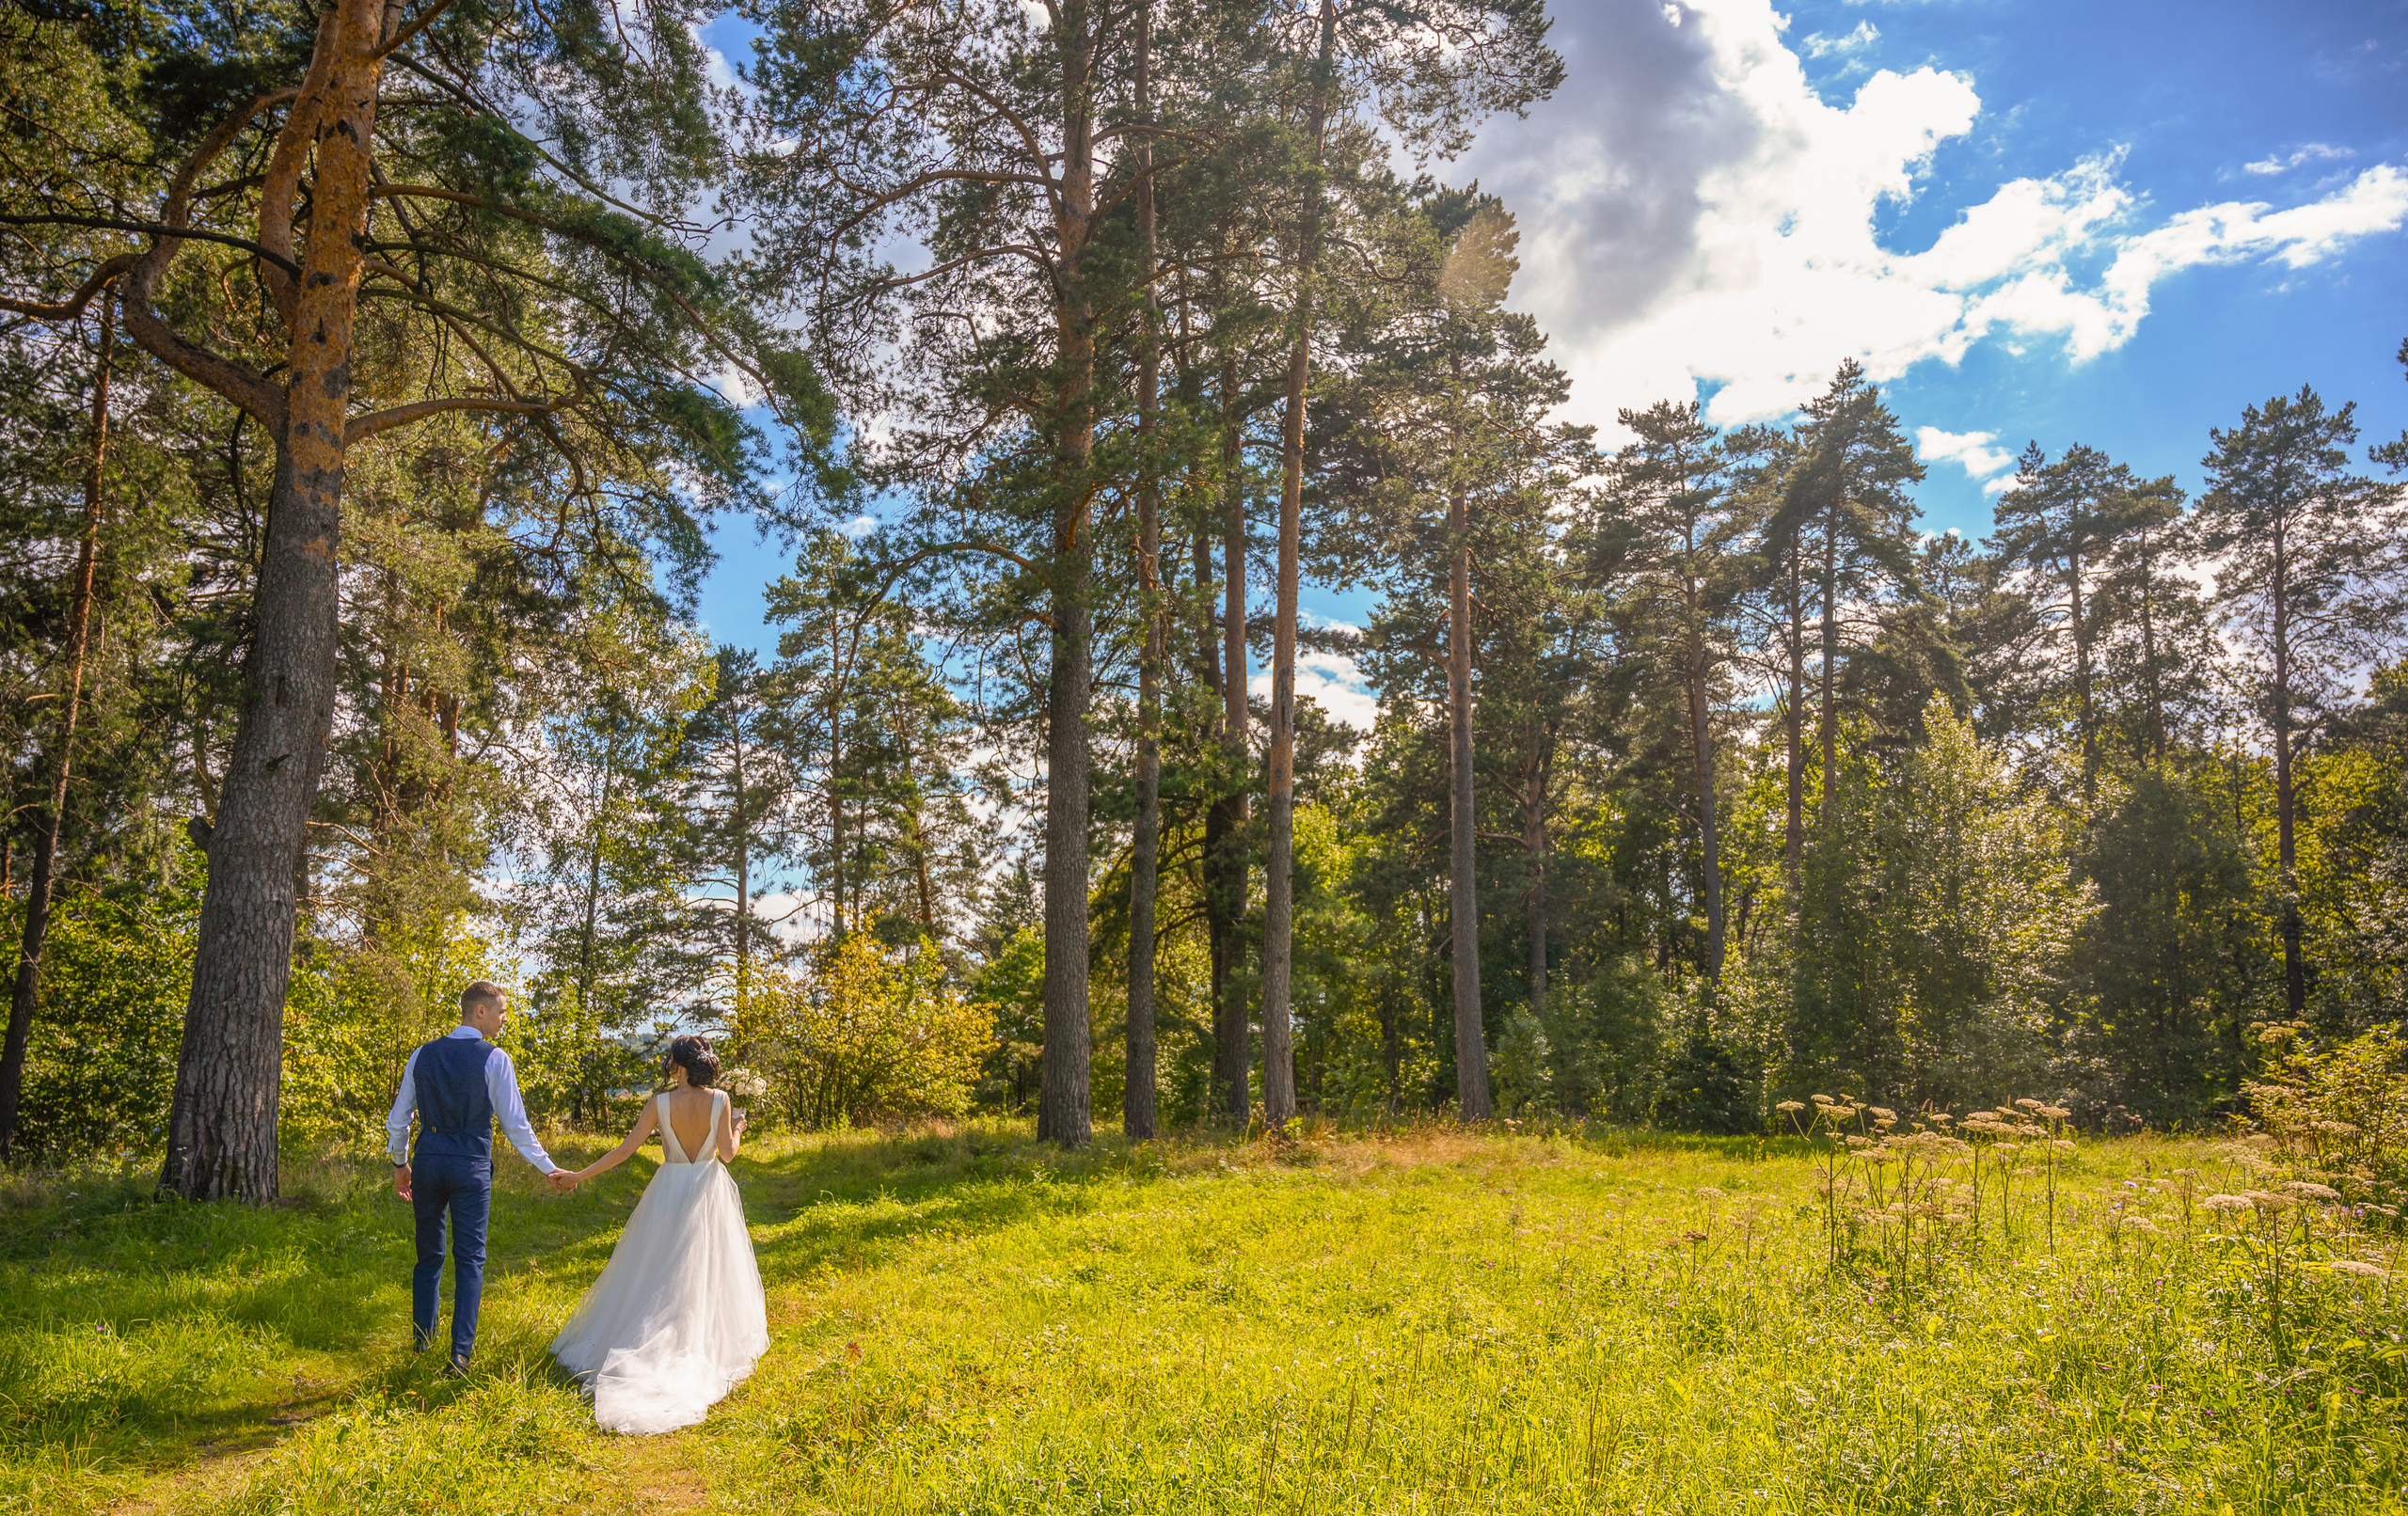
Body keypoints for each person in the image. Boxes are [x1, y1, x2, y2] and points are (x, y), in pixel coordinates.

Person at [548, 1034, 769, 1434]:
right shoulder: (720, 1100)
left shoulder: (659, 1103)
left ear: (678, 1065)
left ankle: (648, 1335)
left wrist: (578, 1175)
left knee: (656, 1268)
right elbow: (728, 1154)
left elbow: (624, 1150)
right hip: (706, 1188)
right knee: (703, 1268)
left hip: (667, 1190)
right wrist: (737, 1128)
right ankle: (694, 1338)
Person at [388, 981, 575, 1375]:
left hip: (429, 1161)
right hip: (470, 1164)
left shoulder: (422, 1055)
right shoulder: (494, 1059)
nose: (505, 1019)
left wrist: (400, 1165)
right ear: (479, 1012)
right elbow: (516, 1126)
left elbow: (399, 1117)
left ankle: (422, 1343)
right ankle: (459, 1355)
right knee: (470, 1258)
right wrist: (549, 1169)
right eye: (502, 1012)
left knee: (428, 1255)